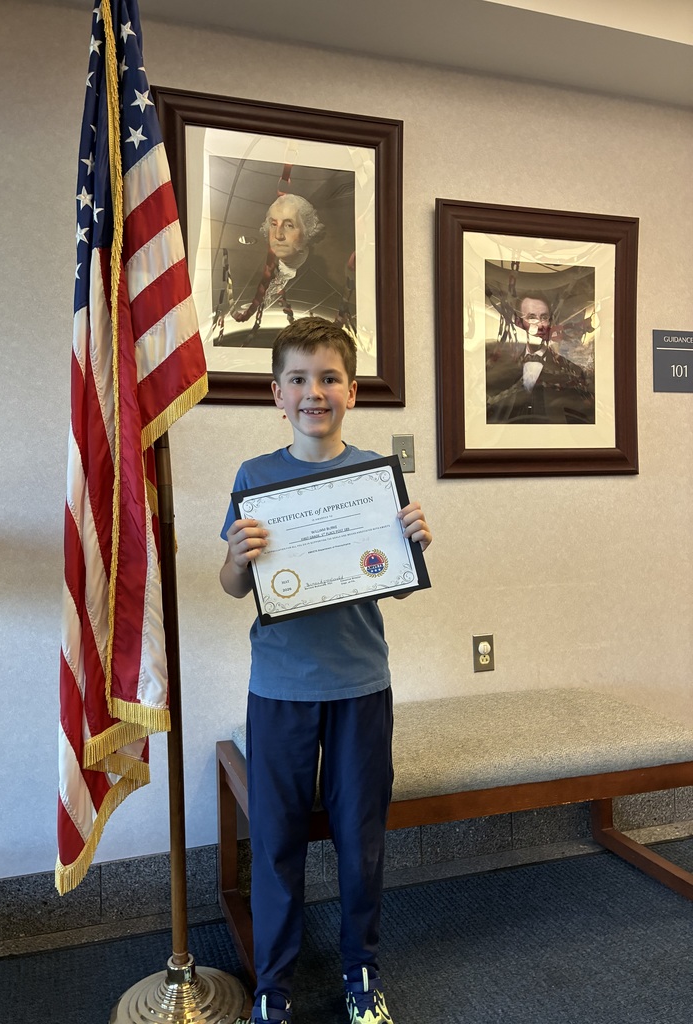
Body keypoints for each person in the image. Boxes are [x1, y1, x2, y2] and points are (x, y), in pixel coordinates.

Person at [220, 318, 432, 1024]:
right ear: (276, 393)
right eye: (300, 379)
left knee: (359, 838)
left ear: (353, 391)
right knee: (277, 841)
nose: (315, 392)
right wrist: (237, 557)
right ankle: (273, 986)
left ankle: (360, 971)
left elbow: (395, 586)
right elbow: (231, 584)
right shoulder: (255, 477)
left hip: (360, 685)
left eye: (330, 378)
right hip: (279, 690)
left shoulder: (375, 477)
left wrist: (411, 549)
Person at [224, 194, 351, 344]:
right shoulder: (248, 276)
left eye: (289, 225)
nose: (278, 235)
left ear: (309, 232)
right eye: (273, 224)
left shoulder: (328, 292)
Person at [485, 292, 595, 424]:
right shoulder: (495, 367)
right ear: (519, 322)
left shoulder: (571, 372)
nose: (540, 324)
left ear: (550, 321)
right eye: (532, 317)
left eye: (544, 317)